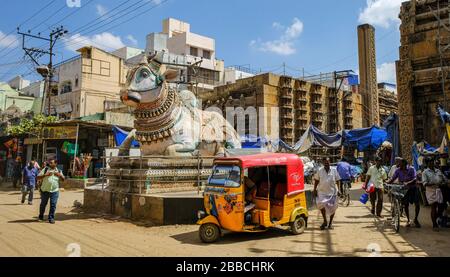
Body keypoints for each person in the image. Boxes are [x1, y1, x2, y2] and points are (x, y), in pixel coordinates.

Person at [387, 159, 420, 228]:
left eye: (400, 164)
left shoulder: (411, 169)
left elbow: (414, 179)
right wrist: (387, 183)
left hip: (413, 188)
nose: (399, 166)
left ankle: (416, 219)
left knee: (417, 204)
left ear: (405, 164)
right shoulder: (398, 170)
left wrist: (407, 183)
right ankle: (408, 220)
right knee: (405, 204)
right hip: (404, 189)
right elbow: (393, 178)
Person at [314, 157, 341, 230]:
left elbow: (338, 180)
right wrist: (314, 190)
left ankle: (330, 223)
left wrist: (339, 190)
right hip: (322, 192)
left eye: (328, 162)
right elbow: (316, 180)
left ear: (330, 162)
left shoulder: (334, 170)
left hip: (332, 193)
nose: (326, 164)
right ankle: (325, 221)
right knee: (321, 205)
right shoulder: (319, 170)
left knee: (332, 208)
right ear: (323, 163)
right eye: (325, 162)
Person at [37, 159, 65, 224]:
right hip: (45, 190)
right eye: (50, 163)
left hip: (54, 191)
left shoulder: (59, 171)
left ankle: (51, 218)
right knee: (43, 204)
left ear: (55, 164)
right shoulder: (45, 169)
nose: (50, 164)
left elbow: (63, 179)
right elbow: (38, 177)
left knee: (53, 205)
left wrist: (59, 175)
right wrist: (45, 175)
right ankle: (41, 215)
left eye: (52, 163)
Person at [422, 158, 445, 231]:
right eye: (430, 162)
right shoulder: (425, 172)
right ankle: (434, 224)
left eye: (432, 162)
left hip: (438, 190)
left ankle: (437, 217)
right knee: (433, 207)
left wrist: (445, 182)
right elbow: (425, 183)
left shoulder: (438, 171)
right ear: (427, 164)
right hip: (430, 191)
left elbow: (444, 178)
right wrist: (433, 183)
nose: (432, 163)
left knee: (441, 206)